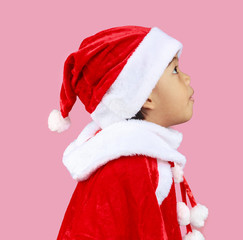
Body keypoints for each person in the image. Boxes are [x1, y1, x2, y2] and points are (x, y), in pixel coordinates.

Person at [48, 25, 209, 240]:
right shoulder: (131, 167)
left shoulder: (146, 158)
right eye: (174, 70)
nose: (187, 78)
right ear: (145, 95)